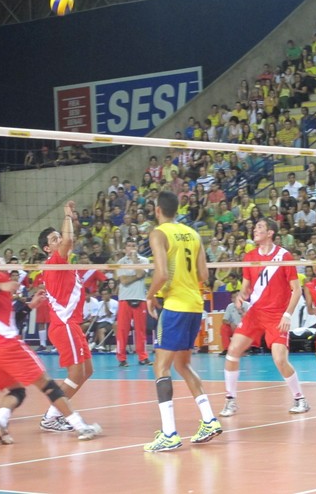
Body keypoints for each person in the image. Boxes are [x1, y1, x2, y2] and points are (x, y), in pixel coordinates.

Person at [0, 249, 101, 445]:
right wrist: (0, 285)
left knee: (17, 391)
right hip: (6, 346)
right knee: (47, 385)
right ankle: (80, 426)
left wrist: (29, 306)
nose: (2, 259)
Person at [144, 191, 222, 452]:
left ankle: (169, 433)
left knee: (161, 367)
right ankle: (209, 420)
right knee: (183, 364)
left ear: (157, 210)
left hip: (176, 305)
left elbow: (162, 273)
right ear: (176, 209)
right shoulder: (194, 233)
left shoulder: (158, 233)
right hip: (194, 304)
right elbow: (203, 274)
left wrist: (151, 294)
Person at [219, 217, 309, 418]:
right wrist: (242, 296)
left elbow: (296, 290)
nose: (255, 229)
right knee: (233, 351)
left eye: (260, 227)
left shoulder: (284, 256)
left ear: (270, 233)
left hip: (277, 315)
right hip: (255, 313)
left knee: (279, 359)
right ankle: (230, 400)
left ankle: (299, 397)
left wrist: (287, 315)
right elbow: (246, 287)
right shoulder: (249, 256)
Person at [37, 201, 95, 433]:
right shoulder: (54, 262)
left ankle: (55, 414)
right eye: (54, 239)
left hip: (72, 325)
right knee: (76, 373)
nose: (59, 240)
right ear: (47, 249)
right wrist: (68, 216)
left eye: (58, 237)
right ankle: (52, 416)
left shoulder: (65, 265)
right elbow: (70, 240)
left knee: (87, 371)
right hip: (64, 325)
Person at [115, 237, 151, 367]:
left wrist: (135, 260)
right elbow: (124, 281)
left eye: (133, 245)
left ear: (137, 247)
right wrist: (136, 276)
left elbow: (141, 274)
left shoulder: (144, 260)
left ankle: (143, 357)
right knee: (122, 330)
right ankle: (122, 358)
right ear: (125, 248)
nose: (131, 248)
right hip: (124, 299)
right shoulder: (120, 262)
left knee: (140, 330)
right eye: (129, 246)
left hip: (140, 298)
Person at [220, 291, 247, 356]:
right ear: (232, 299)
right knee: (224, 327)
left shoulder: (247, 305)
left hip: (245, 328)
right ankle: (227, 349)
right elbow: (224, 320)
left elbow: (250, 320)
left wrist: (241, 311)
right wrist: (231, 323)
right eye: (234, 297)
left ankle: (246, 348)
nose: (236, 299)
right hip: (234, 327)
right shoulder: (230, 306)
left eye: (237, 296)